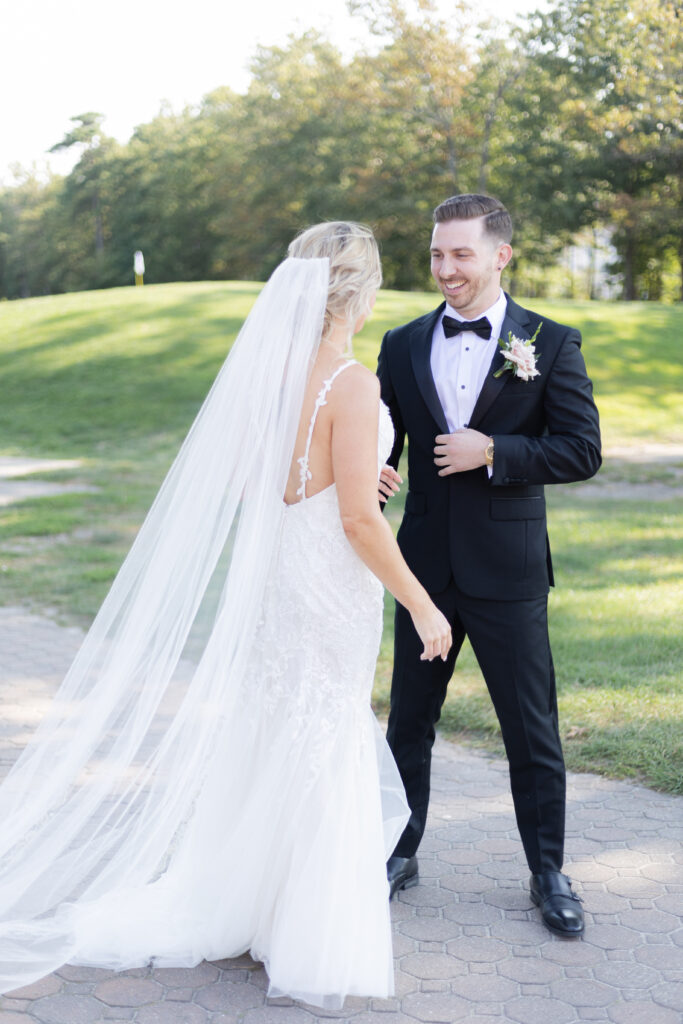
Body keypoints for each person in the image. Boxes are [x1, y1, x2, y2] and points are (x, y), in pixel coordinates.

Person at [0, 222, 451, 1007]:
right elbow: (355, 522)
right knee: (321, 723)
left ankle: (249, 904)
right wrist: (421, 603)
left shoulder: (271, 375)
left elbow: (261, 486)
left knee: (279, 721)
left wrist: (347, 482)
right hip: (329, 585)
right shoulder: (350, 383)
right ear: (357, 290)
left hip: (282, 576)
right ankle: (302, 935)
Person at [377, 194, 601, 937]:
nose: (445, 269)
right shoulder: (401, 343)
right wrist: (376, 471)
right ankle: (395, 851)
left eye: (461, 254)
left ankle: (548, 873)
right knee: (409, 720)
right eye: (437, 254)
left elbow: (580, 449)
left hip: (508, 573)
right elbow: (384, 441)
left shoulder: (552, 341)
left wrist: (497, 452)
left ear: (500, 255)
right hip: (423, 573)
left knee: (530, 730)